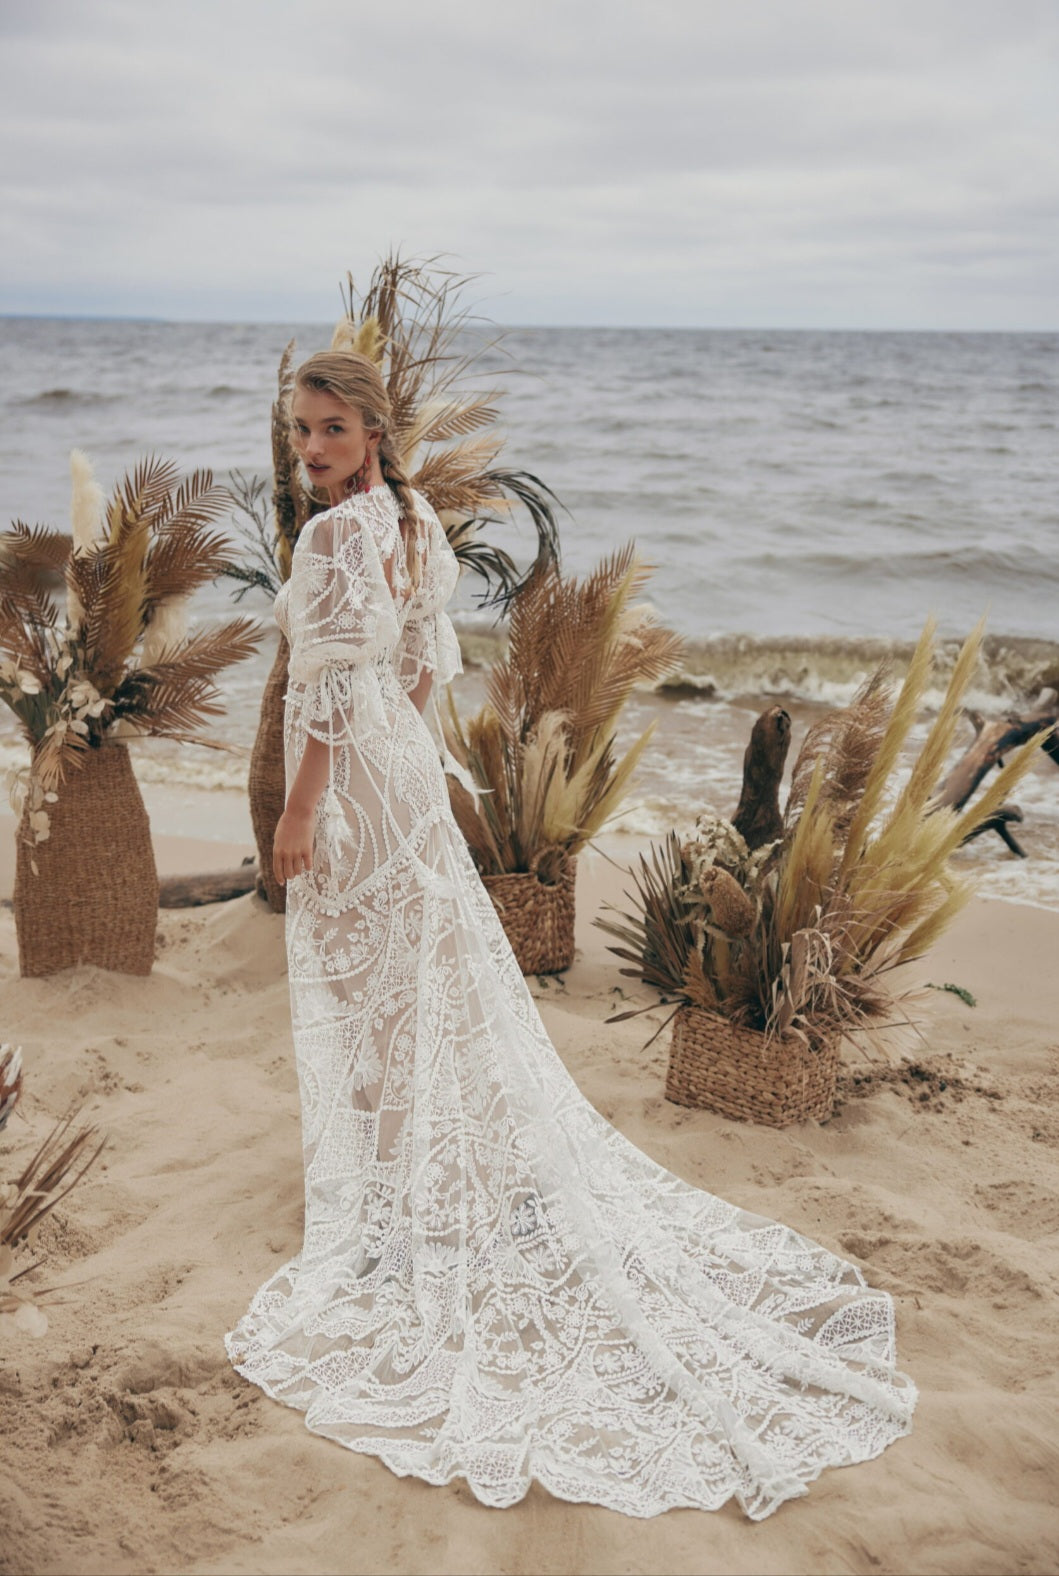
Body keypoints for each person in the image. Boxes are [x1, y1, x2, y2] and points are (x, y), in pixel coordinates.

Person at [225, 350, 916, 1519]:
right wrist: (405, 781)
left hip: (345, 789)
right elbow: (419, 677)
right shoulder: (410, 523)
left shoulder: (337, 537)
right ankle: (408, 1183)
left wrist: (299, 809)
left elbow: (332, 691)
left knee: (373, 987)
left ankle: (394, 1202)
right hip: (399, 777)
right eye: (301, 431)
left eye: (330, 430)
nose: (310, 450)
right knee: (407, 981)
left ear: (374, 431)